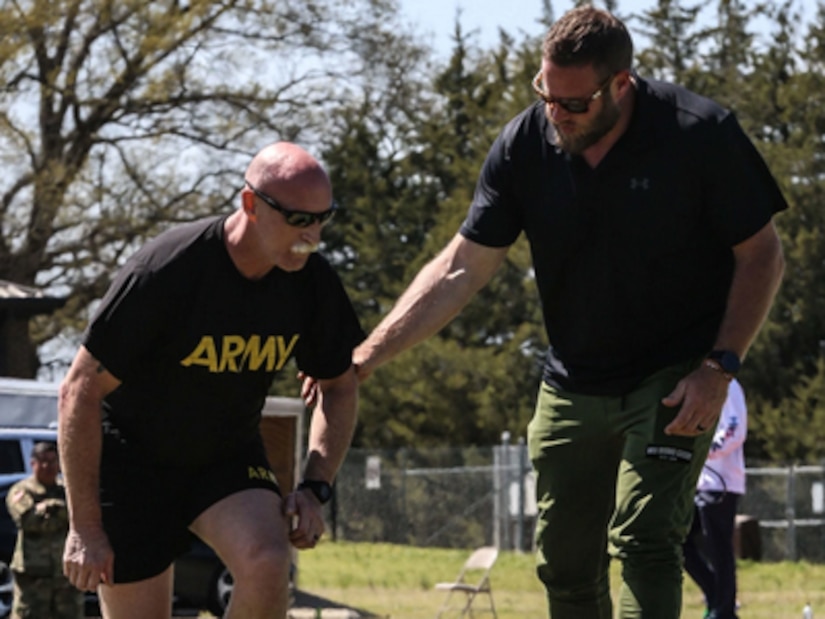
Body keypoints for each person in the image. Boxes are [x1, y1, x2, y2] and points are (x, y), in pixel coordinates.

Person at [321, 6, 786, 619]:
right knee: (565, 562)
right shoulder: (524, 145)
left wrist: (720, 366)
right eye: (546, 95)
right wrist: (368, 352)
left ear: (621, 84)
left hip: (675, 376)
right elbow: (462, 266)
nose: (556, 115)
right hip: (573, 378)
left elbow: (762, 255)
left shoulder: (698, 132)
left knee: (646, 540)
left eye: (575, 103)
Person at [57, 141, 363, 619]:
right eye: (299, 219)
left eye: (324, 218)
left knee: (268, 560)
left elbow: (339, 385)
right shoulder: (167, 270)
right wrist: (85, 528)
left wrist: (315, 486)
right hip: (133, 463)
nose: (314, 235)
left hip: (226, 456)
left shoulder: (311, 283)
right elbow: (79, 389)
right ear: (250, 205)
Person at [683, 378, 748, 619]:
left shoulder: (728, 386)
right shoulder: (698, 383)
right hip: (700, 483)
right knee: (680, 539)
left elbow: (735, 428)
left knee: (719, 548)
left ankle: (724, 611)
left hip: (722, 483)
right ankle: (715, 595)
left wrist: (706, 451)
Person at [5, 441, 84, 619]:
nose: (48, 466)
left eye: (52, 461)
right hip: (33, 576)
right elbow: (28, 520)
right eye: (42, 461)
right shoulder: (22, 491)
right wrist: (60, 512)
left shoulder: (67, 490)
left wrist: (49, 509)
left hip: (65, 575)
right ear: (33, 464)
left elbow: (80, 516)